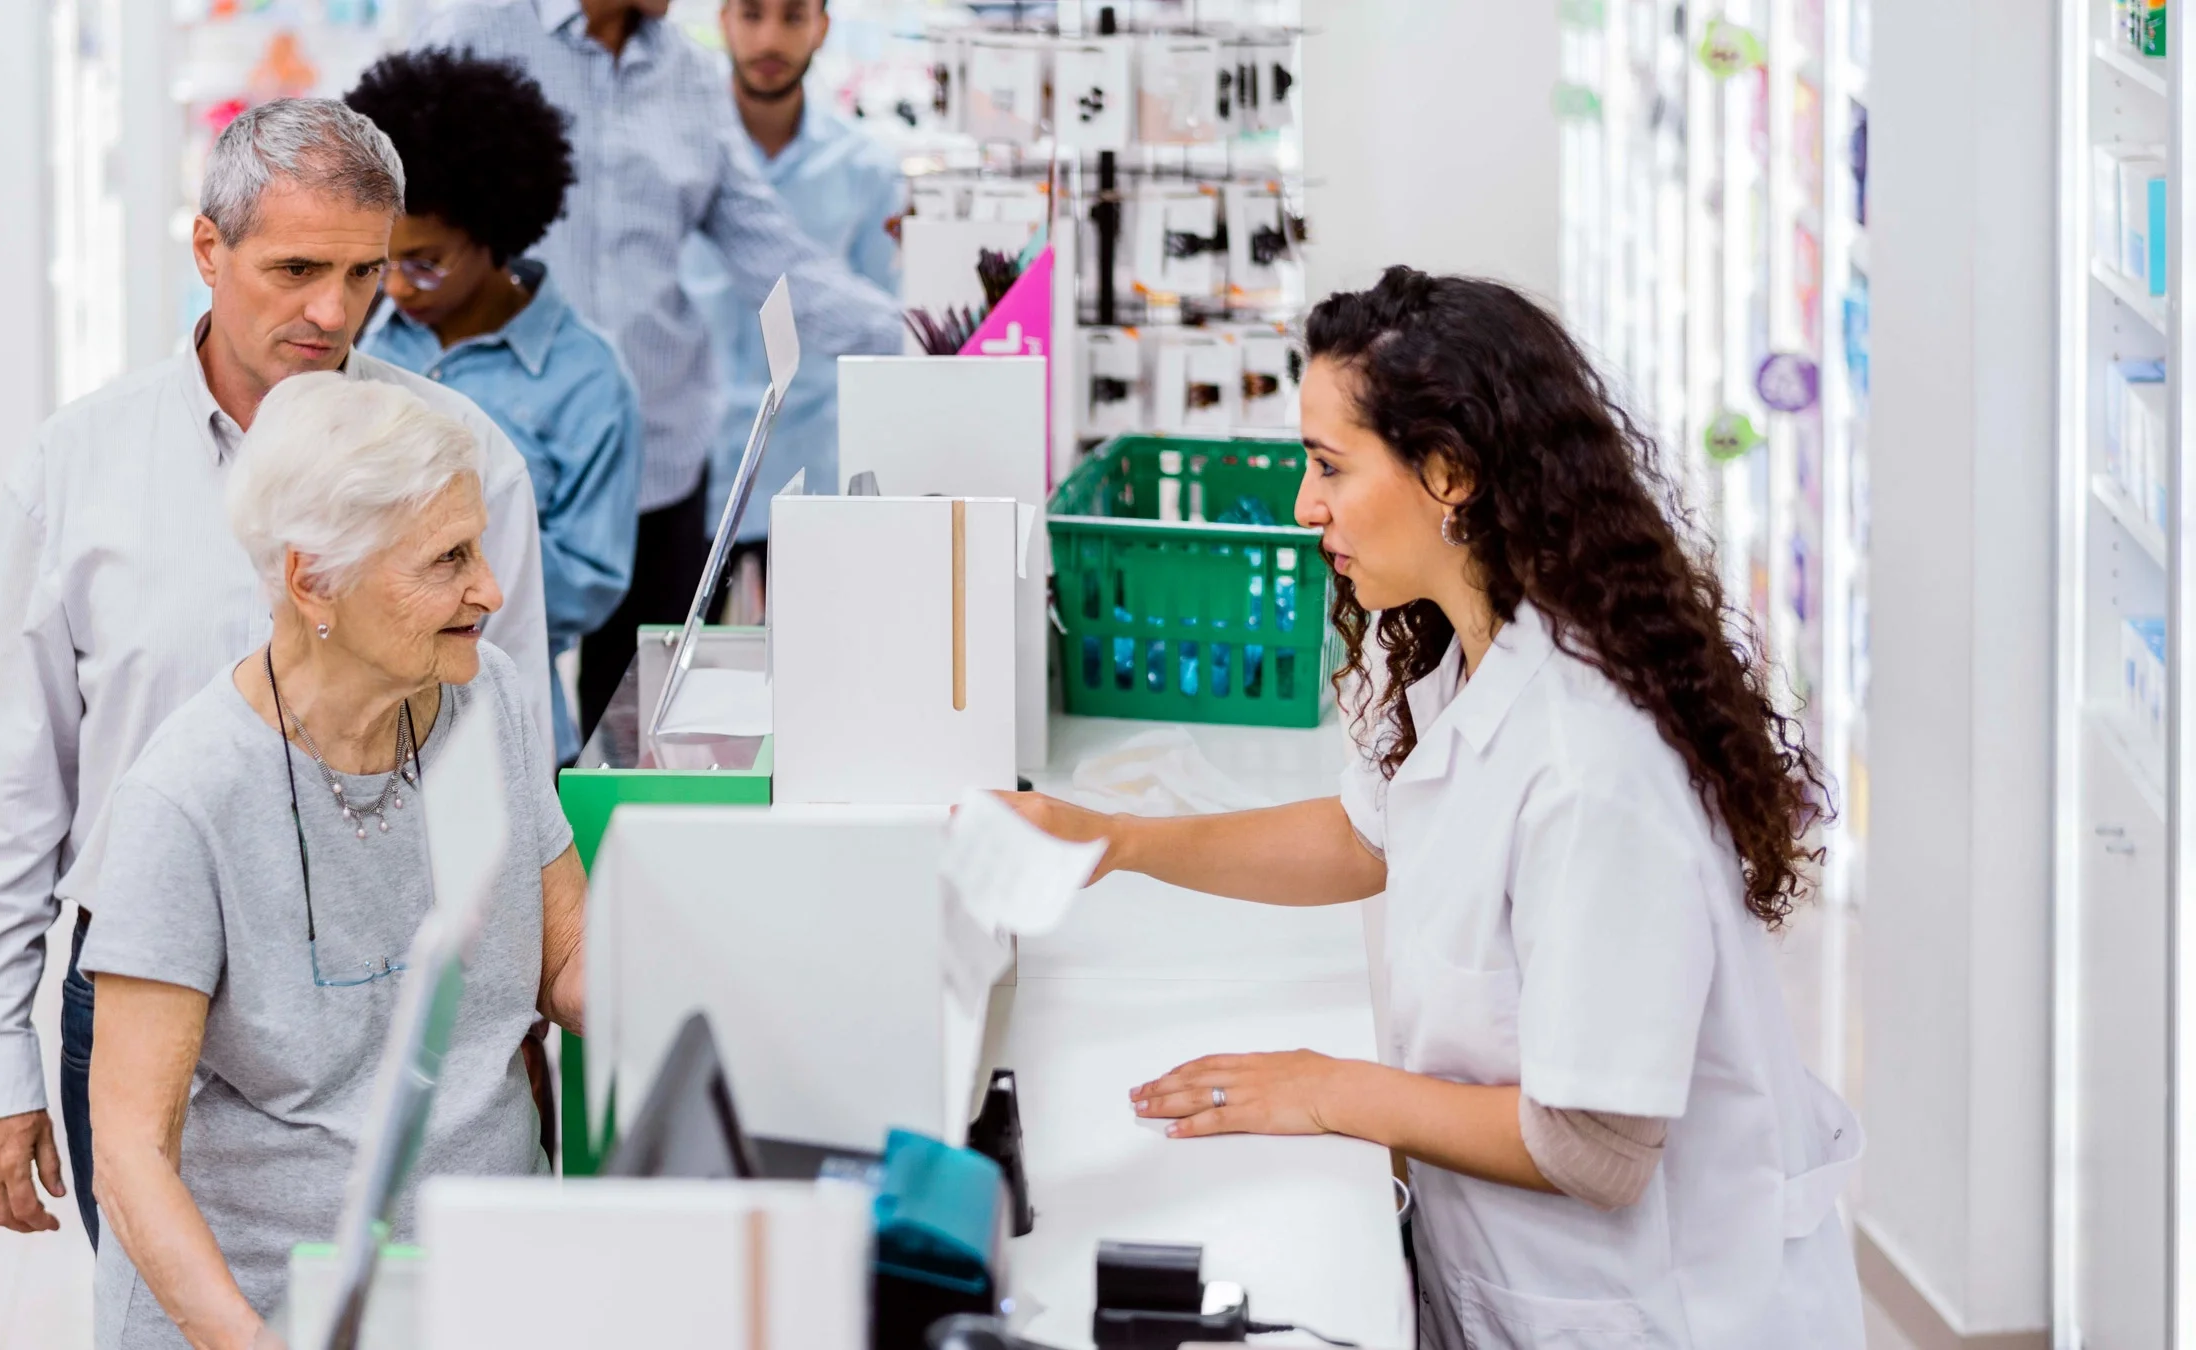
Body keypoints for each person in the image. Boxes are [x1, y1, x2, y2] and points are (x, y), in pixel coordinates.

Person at [1002, 268, 1868, 1346]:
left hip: (1665, 1313)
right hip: (1529, 1287)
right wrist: (1115, 839)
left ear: (1450, 473)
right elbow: (1366, 835)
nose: (1304, 506)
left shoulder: (1591, 767)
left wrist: (1329, 1092)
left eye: (1329, 465)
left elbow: (1595, 1147)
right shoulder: (1485, 653)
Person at [0, 98, 552, 1248]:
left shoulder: (466, 462)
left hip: (399, 990)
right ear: (208, 250)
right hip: (142, 988)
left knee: (422, 1311)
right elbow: (5, 787)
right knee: (179, 1309)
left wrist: (518, 1022)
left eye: (364, 273)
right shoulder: (78, 470)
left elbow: (511, 759)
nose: (334, 313)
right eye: (296, 269)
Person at [82, 373, 586, 1349]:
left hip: (482, 1284)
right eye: (447, 560)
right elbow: (131, 1152)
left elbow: (566, 962)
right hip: (274, 1312)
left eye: (478, 547)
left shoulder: (487, 698)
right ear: (314, 581)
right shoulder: (187, 799)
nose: (490, 590)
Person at [413, 0, 903, 732]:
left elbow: (769, 252)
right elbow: (396, 219)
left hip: (661, 453)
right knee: (488, 703)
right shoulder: (475, 32)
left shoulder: (689, 74)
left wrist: (921, 337)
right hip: (511, 449)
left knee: (642, 726)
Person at [347, 49, 643, 767]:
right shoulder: (357, 338)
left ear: (495, 232)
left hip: (504, 725)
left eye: (426, 263)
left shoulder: (585, 377)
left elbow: (590, 583)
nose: (398, 289)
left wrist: (436, 568)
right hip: (355, 729)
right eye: (382, 263)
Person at [683, 0, 905, 595]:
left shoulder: (867, 168)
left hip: (813, 466)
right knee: (673, 642)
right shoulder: (683, 153)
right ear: (724, 20)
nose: (770, 40)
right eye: (752, 15)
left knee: (819, 641)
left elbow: (883, 335)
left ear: (822, 27)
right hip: (692, 467)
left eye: (792, 17)